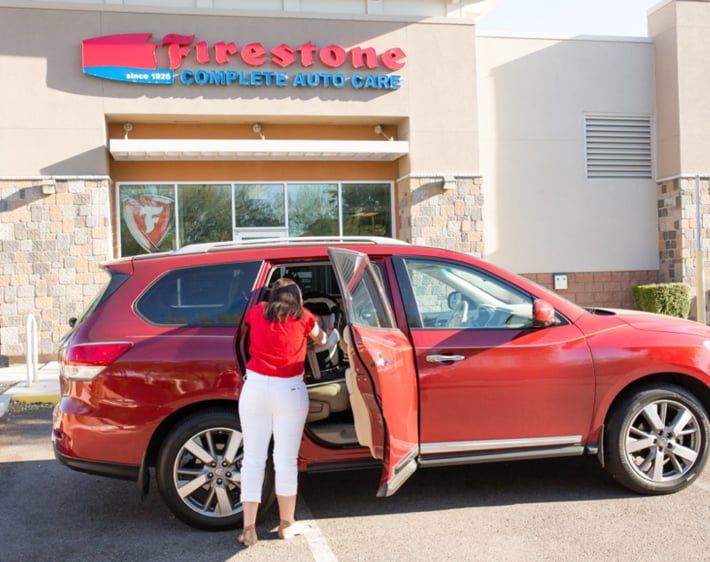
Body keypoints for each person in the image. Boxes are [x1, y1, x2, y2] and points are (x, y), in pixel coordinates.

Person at [238, 278, 329, 547]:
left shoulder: (257, 311)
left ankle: (249, 529)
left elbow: (249, 325)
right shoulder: (304, 317)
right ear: (298, 298)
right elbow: (322, 340)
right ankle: (286, 525)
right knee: (285, 460)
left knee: (253, 460)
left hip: (255, 389)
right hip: (289, 391)